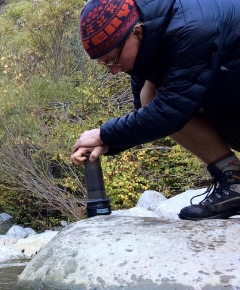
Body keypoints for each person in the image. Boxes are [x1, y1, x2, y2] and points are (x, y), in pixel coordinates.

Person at [71, 0, 240, 220]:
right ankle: (234, 180)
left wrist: (103, 133)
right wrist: (107, 143)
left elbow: (170, 111)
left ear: (137, 32)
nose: (113, 71)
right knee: (148, 96)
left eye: (113, 60)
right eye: (105, 65)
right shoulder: (147, 48)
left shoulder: (192, 27)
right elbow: (144, 117)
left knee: (163, 104)